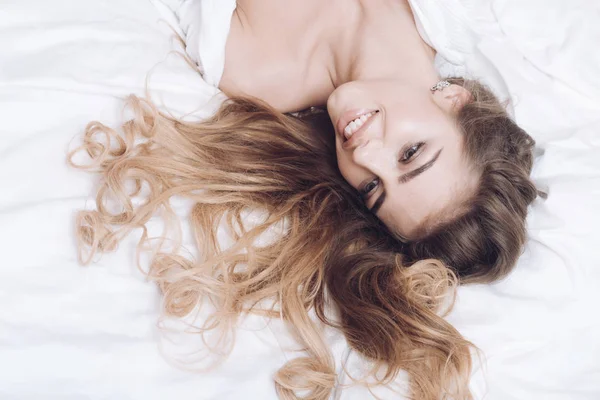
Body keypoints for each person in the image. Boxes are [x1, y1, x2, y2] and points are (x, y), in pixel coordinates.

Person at [68, 0, 541, 399]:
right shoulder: (461, 17)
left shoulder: (253, 69)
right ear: (453, 99)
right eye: (410, 153)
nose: (366, 154)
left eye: (372, 188)